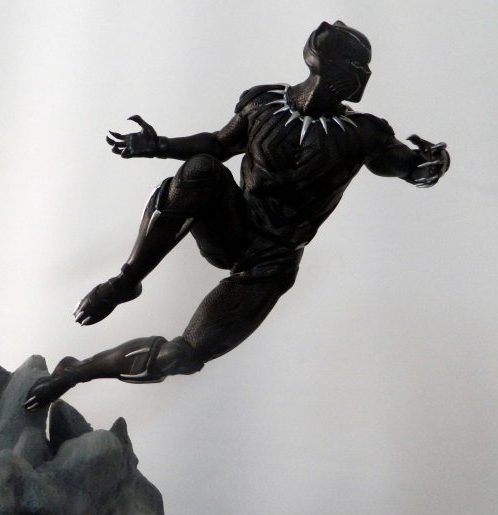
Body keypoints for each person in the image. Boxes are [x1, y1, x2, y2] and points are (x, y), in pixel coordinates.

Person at [23, 20, 449, 412]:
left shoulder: (364, 133)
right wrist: (159, 146)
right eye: (355, 69)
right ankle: (126, 281)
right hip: (235, 227)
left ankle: (75, 372)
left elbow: (404, 165)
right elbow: (218, 143)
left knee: (182, 356)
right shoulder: (264, 103)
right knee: (202, 170)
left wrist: (428, 165)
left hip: (271, 262)